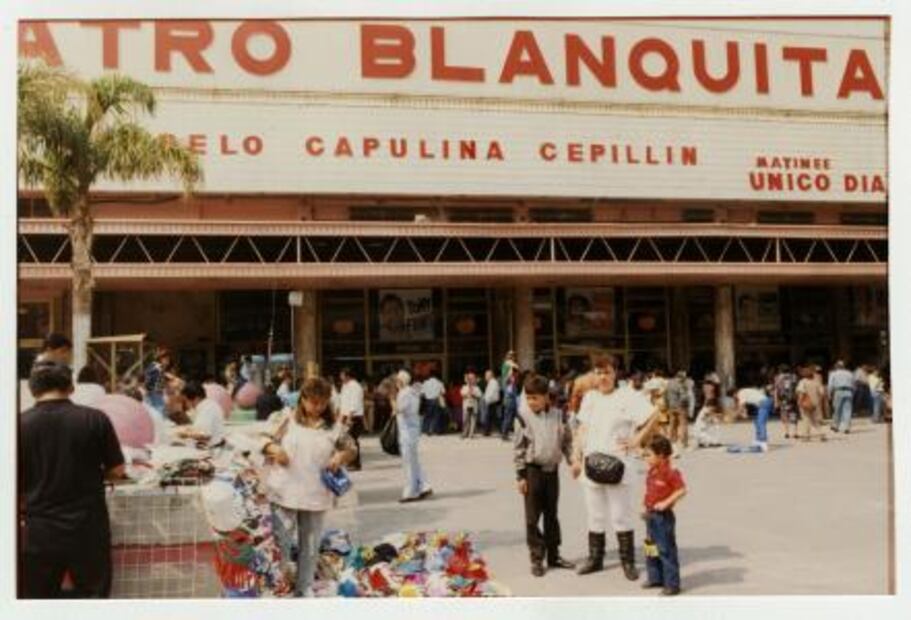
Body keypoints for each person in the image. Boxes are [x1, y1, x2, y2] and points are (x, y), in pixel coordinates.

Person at [19, 361, 126, 598]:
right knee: (92, 598)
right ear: (71, 387)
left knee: (38, 600)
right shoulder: (95, 419)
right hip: (88, 527)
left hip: (39, 530)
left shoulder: (18, 424)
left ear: (33, 390)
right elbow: (117, 470)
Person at [260, 377, 356, 597]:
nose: (318, 407)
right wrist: (275, 450)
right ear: (302, 399)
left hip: (315, 494)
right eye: (313, 402)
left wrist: (340, 457)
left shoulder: (333, 427)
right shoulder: (285, 418)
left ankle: (304, 590)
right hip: (284, 491)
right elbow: (262, 439)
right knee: (281, 544)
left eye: (322, 403)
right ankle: (278, 588)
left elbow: (351, 449)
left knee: (310, 546)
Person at [572, 355, 661, 580]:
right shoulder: (590, 397)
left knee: (621, 516)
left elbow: (654, 414)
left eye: (607, 372)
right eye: (598, 372)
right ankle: (595, 559)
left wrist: (637, 439)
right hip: (591, 463)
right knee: (595, 515)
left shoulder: (628, 396)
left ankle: (627, 562)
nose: (603, 377)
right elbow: (582, 429)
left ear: (615, 373)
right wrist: (576, 456)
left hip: (619, 465)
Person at [513, 374, 575, 577]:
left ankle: (554, 555)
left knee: (551, 515)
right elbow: (519, 448)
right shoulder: (522, 417)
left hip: (552, 472)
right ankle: (537, 558)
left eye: (535, 398)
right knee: (532, 519)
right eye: (528, 397)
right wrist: (520, 476)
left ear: (546, 396)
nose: (531, 402)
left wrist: (572, 461)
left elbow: (566, 441)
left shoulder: (559, 415)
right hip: (533, 472)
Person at [640, 435, 687, 596]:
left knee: (665, 549)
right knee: (650, 547)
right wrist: (645, 509)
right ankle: (655, 578)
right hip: (650, 514)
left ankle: (672, 584)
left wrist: (666, 503)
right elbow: (651, 493)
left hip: (662, 517)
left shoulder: (670, 472)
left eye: (648, 455)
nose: (645, 458)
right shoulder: (653, 470)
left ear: (660, 455)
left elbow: (681, 490)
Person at [393, 370, 433, 503]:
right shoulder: (414, 392)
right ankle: (424, 486)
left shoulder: (404, 393)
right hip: (413, 430)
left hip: (407, 432)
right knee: (414, 460)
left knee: (409, 462)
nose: (396, 382)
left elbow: (399, 409)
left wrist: (391, 399)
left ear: (401, 381)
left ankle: (411, 491)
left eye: (397, 380)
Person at [177, 381, 226, 447]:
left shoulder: (207, 408)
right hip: (210, 445)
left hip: (211, 447)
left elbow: (204, 435)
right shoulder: (208, 405)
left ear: (196, 398)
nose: (185, 404)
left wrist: (185, 434)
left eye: (185, 401)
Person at [338, 368, 366, 470]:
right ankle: (348, 461)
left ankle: (355, 463)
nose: (341, 377)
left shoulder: (355, 387)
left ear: (348, 376)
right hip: (345, 416)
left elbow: (354, 403)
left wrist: (349, 418)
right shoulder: (345, 386)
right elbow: (343, 403)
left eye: (342, 375)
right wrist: (341, 417)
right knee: (346, 441)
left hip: (354, 417)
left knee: (353, 440)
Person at [734, 384, 773, 452]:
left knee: (761, 422)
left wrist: (735, 415)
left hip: (763, 403)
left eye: (734, 397)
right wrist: (743, 413)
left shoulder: (740, 393)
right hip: (764, 402)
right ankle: (758, 440)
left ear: (734, 394)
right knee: (756, 422)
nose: (736, 398)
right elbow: (744, 407)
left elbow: (741, 406)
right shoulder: (745, 391)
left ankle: (763, 442)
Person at [795, 366, 828, 442]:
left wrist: (799, 401)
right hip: (815, 403)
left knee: (806, 419)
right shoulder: (817, 382)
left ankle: (806, 436)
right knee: (815, 420)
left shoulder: (802, 382)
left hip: (805, 403)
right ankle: (821, 433)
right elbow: (822, 393)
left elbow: (801, 393)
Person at [664, 371, 691, 454]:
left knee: (672, 424)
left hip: (671, 406)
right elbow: (684, 397)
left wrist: (667, 405)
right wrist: (686, 404)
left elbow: (665, 395)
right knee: (683, 425)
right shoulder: (681, 384)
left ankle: (672, 441)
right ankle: (684, 443)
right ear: (681, 377)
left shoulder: (669, 383)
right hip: (680, 407)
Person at [827, 360, 855, 433]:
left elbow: (830, 385)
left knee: (837, 409)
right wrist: (853, 393)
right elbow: (853, 384)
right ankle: (847, 427)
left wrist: (829, 394)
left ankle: (836, 426)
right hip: (848, 391)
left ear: (836, 366)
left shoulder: (833, 374)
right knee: (847, 410)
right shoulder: (849, 373)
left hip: (838, 391)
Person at [143, 348, 174, 415]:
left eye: (168, 359)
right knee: (158, 412)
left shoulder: (159, 368)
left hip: (156, 394)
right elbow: (148, 379)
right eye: (166, 359)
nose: (168, 361)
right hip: (154, 394)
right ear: (161, 359)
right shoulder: (156, 367)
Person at [773, 364, 799, 440]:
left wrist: (776, 401)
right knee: (793, 414)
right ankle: (795, 432)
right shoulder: (794, 377)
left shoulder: (778, 378)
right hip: (792, 399)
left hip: (783, 399)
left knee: (784, 415)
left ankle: (786, 432)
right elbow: (797, 388)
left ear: (780, 370)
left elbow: (776, 390)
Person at [420, 370, 446, 436]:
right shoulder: (440, 383)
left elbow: (422, 393)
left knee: (428, 416)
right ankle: (435, 430)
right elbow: (443, 392)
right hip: (436, 400)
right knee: (436, 416)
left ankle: (427, 430)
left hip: (428, 401)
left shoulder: (425, 383)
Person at [460, 370, 483, 439]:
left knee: (473, 420)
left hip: (474, 404)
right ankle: (464, 433)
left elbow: (480, 395)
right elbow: (462, 394)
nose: (470, 380)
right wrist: (467, 394)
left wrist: (474, 394)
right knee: (465, 419)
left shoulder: (477, 388)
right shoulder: (464, 387)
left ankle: (471, 434)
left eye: (472, 378)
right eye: (469, 378)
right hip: (466, 405)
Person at [481, 369, 501, 437]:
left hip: (491, 402)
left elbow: (491, 393)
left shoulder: (493, 382)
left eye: (486, 375)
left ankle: (501, 430)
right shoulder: (491, 382)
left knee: (491, 417)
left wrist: (487, 400)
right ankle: (487, 431)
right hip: (490, 401)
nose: (485, 377)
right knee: (491, 417)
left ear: (490, 375)